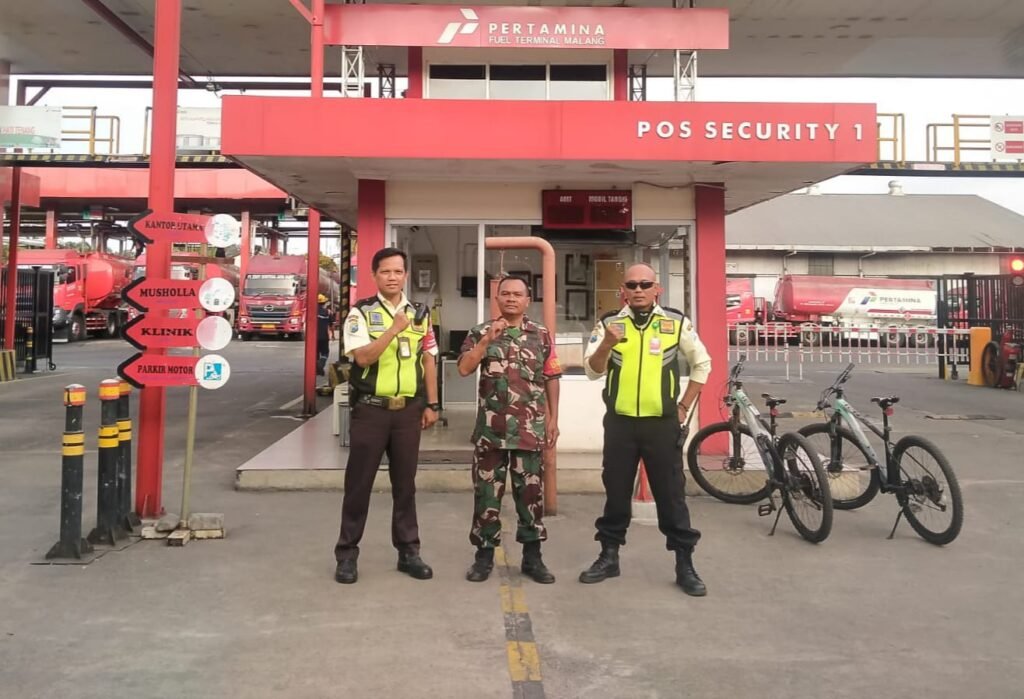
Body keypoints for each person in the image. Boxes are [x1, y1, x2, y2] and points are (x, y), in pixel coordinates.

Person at [580, 262, 711, 597]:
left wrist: (683, 406)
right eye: (632, 285)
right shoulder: (609, 323)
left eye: (645, 284)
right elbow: (593, 371)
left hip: (661, 425)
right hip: (620, 424)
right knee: (616, 491)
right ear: (622, 290)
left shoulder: (675, 323)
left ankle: (685, 564)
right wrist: (607, 344)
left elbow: (702, 364)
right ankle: (609, 556)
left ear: (657, 289)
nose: (638, 290)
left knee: (671, 494)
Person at [333, 248, 440, 584]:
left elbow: (429, 359)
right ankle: (347, 555)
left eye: (398, 271)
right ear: (374, 275)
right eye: (385, 271)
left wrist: (432, 404)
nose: (392, 277)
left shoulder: (420, 313)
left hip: (407, 412)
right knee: (359, 485)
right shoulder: (360, 313)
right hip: (371, 410)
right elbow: (363, 358)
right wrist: (393, 329)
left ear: (406, 275)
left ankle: (409, 552)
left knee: (405, 485)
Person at [457, 276, 561, 584]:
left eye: (518, 294)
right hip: (491, 433)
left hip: (529, 431)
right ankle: (484, 556)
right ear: (498, 299)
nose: (512, 298)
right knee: (486, 497)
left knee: (530, 497)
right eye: (506, 294)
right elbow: (463, 368)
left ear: (528, 301)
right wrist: (486, 341)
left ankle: (533, 558)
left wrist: (553, 419)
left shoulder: (540, 334)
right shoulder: (480, 332)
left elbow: (551, 377)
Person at [316, 293, 334, 379]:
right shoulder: (328, 312)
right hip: (324, 336)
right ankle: (321, 364)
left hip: (313, 337)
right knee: (325, 352)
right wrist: (333, 335)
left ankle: (317, 367)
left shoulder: (311, 312)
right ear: (324, 303)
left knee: (315, 353)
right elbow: (332, 325)